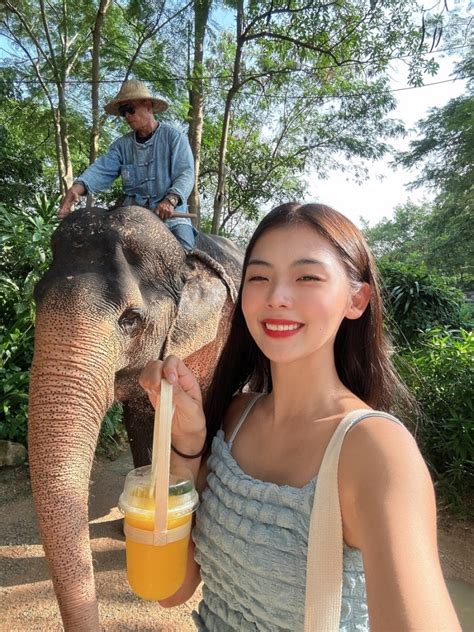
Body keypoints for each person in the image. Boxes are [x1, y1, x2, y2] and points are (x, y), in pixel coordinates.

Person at [139, 202, 460, 631]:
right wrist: (187, 446)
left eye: (307, 276)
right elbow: (171, 590)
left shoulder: (376, 452)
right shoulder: (234, 417)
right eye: (259, 277)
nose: (276, 297)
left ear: (356, 299)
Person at [58, 79, 196, 250]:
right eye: (124, 112)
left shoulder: (174, 138)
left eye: (130, 109)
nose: (127, 116)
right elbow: (102, 169)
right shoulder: (121, 146)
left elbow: (186, 173)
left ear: (148, 106)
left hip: (171, 218)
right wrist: (76, 189)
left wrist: (170, 200)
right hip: (130, 217)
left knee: (185, 252)